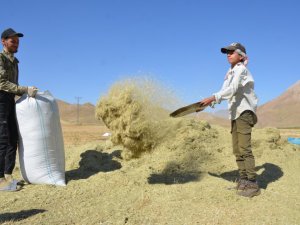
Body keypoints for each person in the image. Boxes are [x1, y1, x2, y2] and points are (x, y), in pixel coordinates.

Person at [200, 42, 260, 198]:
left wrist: (213, 97)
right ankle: (244, 179)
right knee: (237, 149)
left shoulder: (241, 70)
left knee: (245, 149)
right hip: (235, 114)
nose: (228, 54)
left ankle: (253, 184)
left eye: (231, 52)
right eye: (227, 52)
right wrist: (212, 101)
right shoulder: (231, 72)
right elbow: (224, 91)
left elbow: (232, 90)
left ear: (240, 55)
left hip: (244, 113)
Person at [0, 28, 38, 191]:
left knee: (13, 138)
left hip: (9, 100)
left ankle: (8, 174)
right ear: (3, 41)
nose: (16, 43)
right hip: (0, 99)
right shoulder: (0, 58)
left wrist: (23, 94)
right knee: (2, 138)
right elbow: (1, 83)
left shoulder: (15, 62)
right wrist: (23, 89)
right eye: (12, 40)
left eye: (17, 41)